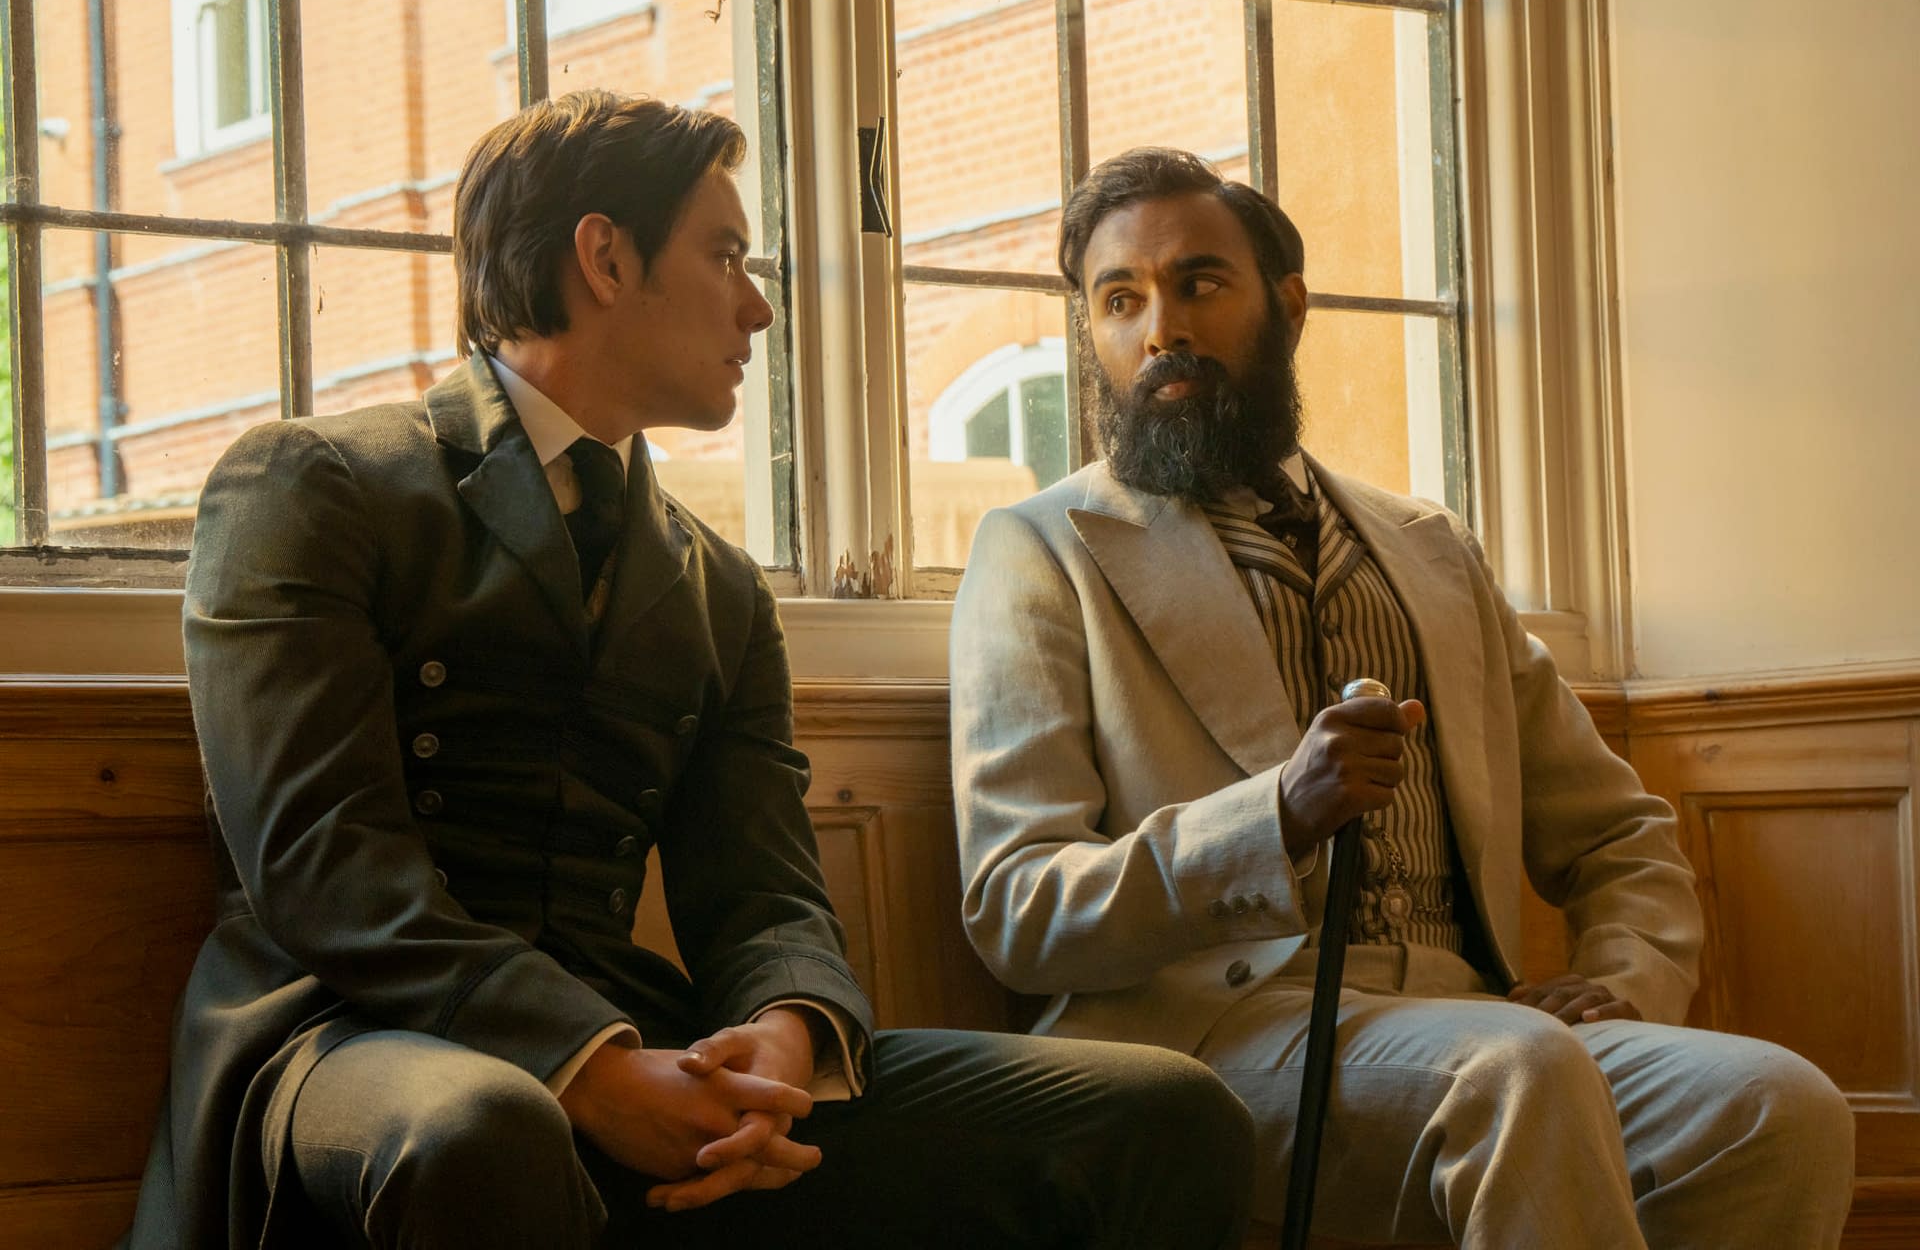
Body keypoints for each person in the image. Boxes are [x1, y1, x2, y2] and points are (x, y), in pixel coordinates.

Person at [122, 95, 1255, 1250]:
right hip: (350, 1039)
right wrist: (589, 1066)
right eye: (725, 255)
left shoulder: (719, 586)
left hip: (639, 1042)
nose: (758, 305)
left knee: (1164, 1116)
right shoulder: (312, 483)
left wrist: (783, 1032)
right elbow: (324, 869)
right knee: (486, 1126)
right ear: (606, 258)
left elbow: (765, 893)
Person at [948, 146, 1856, 1249]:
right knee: (1521, 1071)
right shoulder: (1042, 549)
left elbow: (1619, 833)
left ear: (1288, 306)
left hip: (1470, 1016)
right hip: (1210, 1038)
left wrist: (1623, 977)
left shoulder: (1429, 549)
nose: (1162, 330)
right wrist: (1274, 818)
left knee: (1774, 1105)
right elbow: (1019, 907)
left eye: (1200, 283)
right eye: (1120, 299)